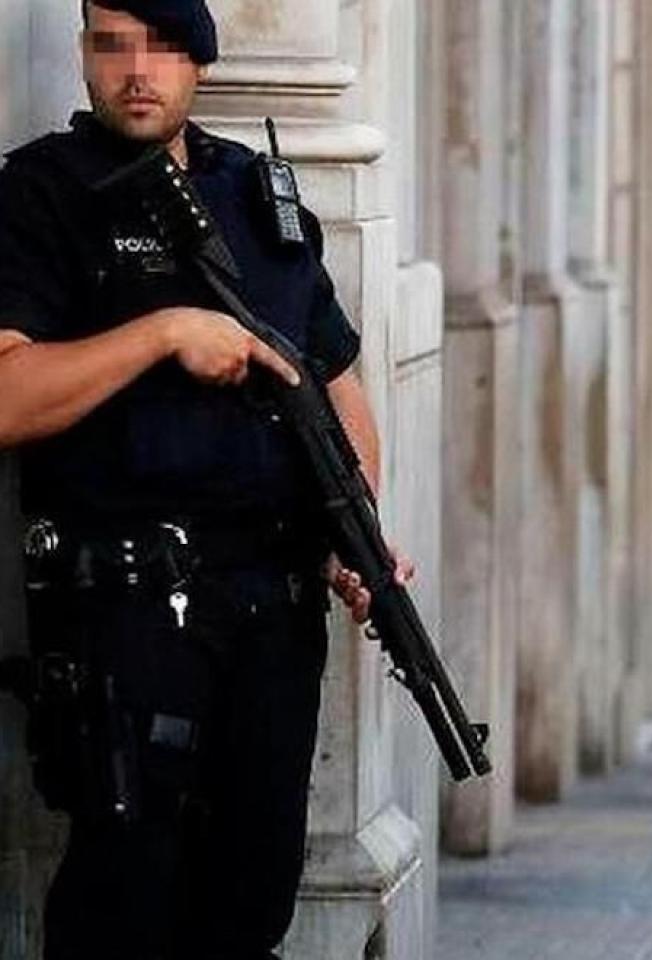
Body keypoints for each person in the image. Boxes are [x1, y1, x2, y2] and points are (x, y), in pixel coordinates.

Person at [0, 2, 408, 954]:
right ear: (84, 55)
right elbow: (9, 397)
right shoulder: (42, 192)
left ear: (202, 62)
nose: (137, 70)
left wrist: (354, 539)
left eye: (165, 46)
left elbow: (334, 378)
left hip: (271, 611)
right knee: (123, 897)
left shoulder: (255, 193)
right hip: (130, 611)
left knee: (252, 899)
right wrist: (162, 334)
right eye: (113, 45)